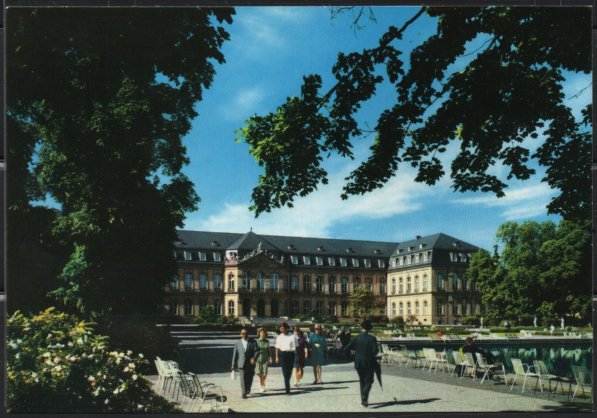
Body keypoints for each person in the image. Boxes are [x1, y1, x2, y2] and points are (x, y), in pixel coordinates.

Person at [343, 320, 378, 407]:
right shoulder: (372, 338)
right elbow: (375, 351)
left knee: (362, 380)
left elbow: (346, 348)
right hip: (368, 362)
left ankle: (364, 400)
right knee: (369, 381)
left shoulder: (356, 337)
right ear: (369, 329)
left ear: (362, 328)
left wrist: (351, 356)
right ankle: (364, 395)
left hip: (358, 362)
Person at [231, 328, 260, 399]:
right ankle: (243, 393)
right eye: (243, 333)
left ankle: (248, 388)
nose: (244, 335)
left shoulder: (253, 342)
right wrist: (233, 365)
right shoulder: (237, 343)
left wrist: (254, 358)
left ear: (248, 334)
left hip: (250, 363)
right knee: (242, 378)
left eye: (246, 333)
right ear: (240, 334)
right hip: (241, 363)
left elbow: (257, 351)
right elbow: (235, 354)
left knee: (250, 377)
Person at [275, 322, 296, 394]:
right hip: (283, 355)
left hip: (291, 354)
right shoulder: (279, 337)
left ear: (286, 328)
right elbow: (277, 348)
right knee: (285, 372)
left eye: (282, 329)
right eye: (280, 329)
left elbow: (296, 346)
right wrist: (277, 357)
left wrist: (292, 350)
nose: (281, 330)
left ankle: (287, 382)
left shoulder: (293, 336)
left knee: (289, 372)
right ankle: (287, 388)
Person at [255, 328, 272, 393]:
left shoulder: (267, 341)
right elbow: (254, 351)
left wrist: (270, 357)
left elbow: (268, 350)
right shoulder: (256, 341)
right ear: (259, 334)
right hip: (258, 358)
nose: (262, 334)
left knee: (265, 373)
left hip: (265, 359)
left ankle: (262, 383)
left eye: (264, 333)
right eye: (261, 333)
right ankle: (261, 384)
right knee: (259, 373)